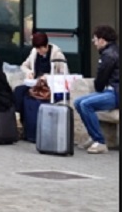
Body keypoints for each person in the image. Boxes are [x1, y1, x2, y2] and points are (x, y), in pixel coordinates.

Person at [74, 25, 119, 154]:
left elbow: (100, 79)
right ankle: (94, 137)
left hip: (115, 93)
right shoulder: (113, 51)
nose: (94, 43)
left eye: (95, 39)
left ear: (102, 40)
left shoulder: (109, 55)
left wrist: (98, 89)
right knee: (78, 102)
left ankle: (100, 141)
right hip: (112, 91)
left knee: (85, 104)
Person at [12, 31, 67, 130]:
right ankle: (18, 119)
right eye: (37, 48)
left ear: (46, 46)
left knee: (30, 96)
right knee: (18, 90)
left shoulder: (57, 55)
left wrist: (48, 77)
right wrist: (29, 72)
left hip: (48, 86)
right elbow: (24, 65)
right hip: (35, 83)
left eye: (41, 48)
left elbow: (64, 74)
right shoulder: (34, 53)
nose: (39, 51)